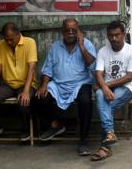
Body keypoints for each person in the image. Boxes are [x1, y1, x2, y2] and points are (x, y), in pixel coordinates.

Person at [35, 19, 96, 156]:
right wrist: (44, 85)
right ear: (62, 32)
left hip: (80, 84)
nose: (70, 33)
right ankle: (55, 125)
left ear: (78, 31)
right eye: (67, 30)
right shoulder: (55, 47)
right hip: (58, 85)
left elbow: (92, 66)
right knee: (39, 98)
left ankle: (83, 141)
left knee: (86, 102)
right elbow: (48, 69)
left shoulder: (86, 44)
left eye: (73, 30)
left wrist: (81, 46)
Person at [91, 21, 132, 162]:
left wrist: (105, 85)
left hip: (126, 88)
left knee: (104, 106)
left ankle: (105, 146)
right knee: (101, 97)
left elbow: (129, 76)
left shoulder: (131, 51)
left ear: (123, 34)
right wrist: (105, 88)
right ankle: (109, 136)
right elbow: (98, 73)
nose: (114, 38)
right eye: (111, 35)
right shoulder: (103, 51)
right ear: (107, 36)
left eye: (117, 35)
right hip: (108, 88)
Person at [0, 22, 38, 142]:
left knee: (24, 101)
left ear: (18, 34)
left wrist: (25, 91)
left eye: (11, 39)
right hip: (8, 85)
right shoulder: (2, 44)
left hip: (26, 84)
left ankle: (26, 130)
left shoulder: (30, 42)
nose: (8, 42)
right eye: (6, 39)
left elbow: (32, 68)